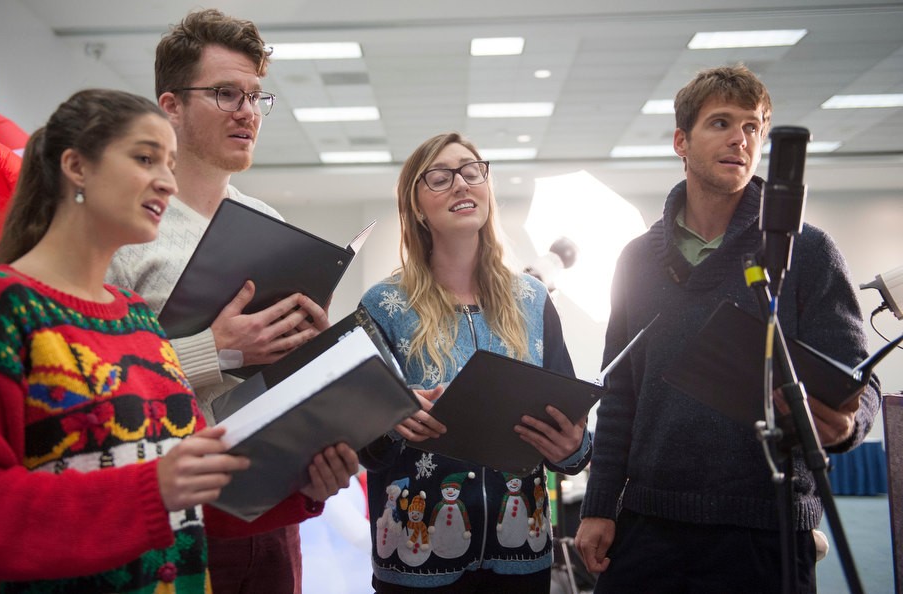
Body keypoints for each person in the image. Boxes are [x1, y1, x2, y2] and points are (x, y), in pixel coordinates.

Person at [0, 88, 245, 593]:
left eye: (170, 164)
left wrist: (300, 482)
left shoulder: (138, 319)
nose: (167, 183)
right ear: (77, 167)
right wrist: (150, 491)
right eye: (145, 158)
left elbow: (195, 486)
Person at [574, 64, 882, 593]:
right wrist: (600, 505)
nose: (740, 139)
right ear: (681, 141)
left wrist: (850, 425)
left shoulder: (804, 250)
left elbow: (859, 380)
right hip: (650, 527)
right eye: (720, 123)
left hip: (767, 530)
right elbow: (621, 392)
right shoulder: (637, 260)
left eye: (752, 127)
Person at [105, 9, 357, 593]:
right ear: (170, 106)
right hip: (168, 516)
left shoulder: (268, 224)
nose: (247, 111)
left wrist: (311, 356)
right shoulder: (126, 229)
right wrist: (211, 351)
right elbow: (101, 382)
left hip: (272, 514)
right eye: (225, 94)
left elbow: (277, 378)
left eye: (255, 96)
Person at [358, 132, 592, 592]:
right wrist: (393, 420)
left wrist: (573, 450)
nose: (462, 184)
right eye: (440, 178)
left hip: (521, 551)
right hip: (416, 555)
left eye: (471, 171)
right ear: (417, 207)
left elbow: (572, 429)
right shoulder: (384, 305)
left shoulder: (533, 299)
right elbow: (361, 441)